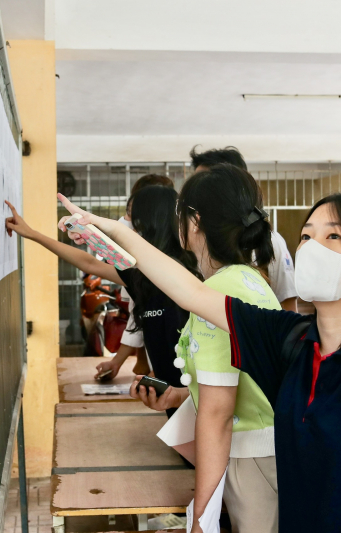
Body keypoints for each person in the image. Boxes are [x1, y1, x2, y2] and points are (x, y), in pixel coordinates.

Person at [53, 190, 341, 533]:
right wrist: (114, 231)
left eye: (333, 238)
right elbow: (189, 292)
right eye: (306, 236)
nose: (310, 249)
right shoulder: (289, 341)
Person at [53, 164, 282, 533]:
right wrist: (179, 396)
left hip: (249, 459)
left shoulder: (218, 292)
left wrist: (201, 518)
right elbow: (244, 384)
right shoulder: (248, 280)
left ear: (193, 223)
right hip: (266, 452)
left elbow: (218, 415)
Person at [4, 186, 198, 417]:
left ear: (149, 220)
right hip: (172, 405)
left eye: (130, 216)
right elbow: (90, 264)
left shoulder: (184, 273)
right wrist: (33, 234)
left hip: (196, 400)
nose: (126, 222)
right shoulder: (140, 275)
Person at [190, 146, 298, 312]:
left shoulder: (269, 239)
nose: (194, 192)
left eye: (203, 182)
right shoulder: (195, 236)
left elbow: (287, 303)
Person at [109, 174, 176, 379]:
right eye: (128, 213)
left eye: (133, 214)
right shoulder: (136, 266)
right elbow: (139, 312)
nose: (127, 222)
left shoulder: (173, 266)